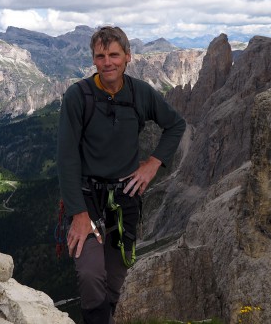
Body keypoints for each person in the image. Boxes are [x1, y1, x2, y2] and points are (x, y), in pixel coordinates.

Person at [57, 26, 186, 324]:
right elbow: (66, 158)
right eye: (100, 56)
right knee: (90, 274)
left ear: (128, 56)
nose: (107, 62)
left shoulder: (140, 93)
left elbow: (175, 124)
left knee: (116, 279)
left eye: (114, 54)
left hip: (124, 200)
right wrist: (77, 214)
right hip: (86, 198)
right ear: (93, 60)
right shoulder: (78, 96)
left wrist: (154, 162)